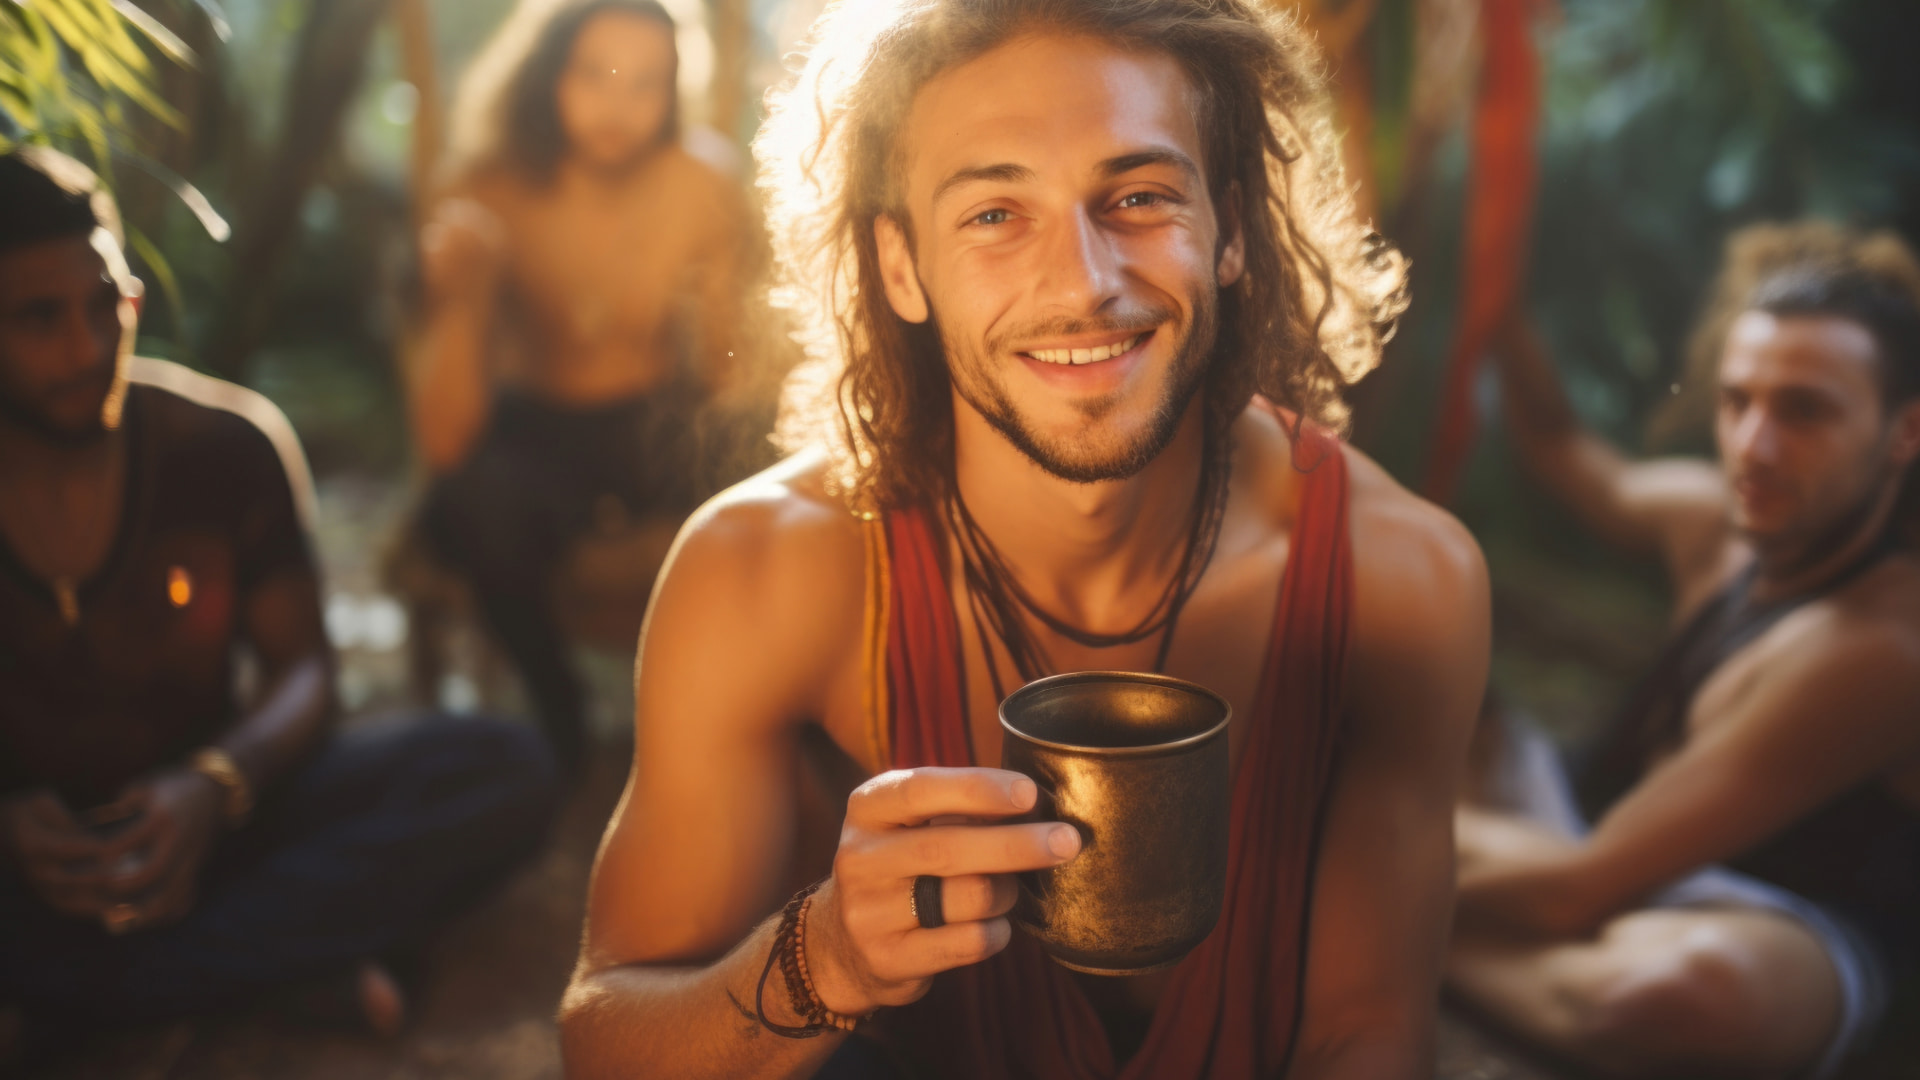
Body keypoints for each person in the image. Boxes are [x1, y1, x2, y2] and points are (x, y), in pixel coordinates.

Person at [559, 1, 1490, 1076]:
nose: (1083, 283)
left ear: (1230, 230)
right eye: (997, 214)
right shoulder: (766, 572)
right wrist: (826, 961)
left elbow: (1365, 1033)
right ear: (900, 267)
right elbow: (602, 1038)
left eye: (1138, 196)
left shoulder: (1399, 582)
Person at [0, 148, 559, 1063]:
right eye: (38, 319)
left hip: (219, 821)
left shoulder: (224, 445)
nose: (87, 344)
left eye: (109, 303)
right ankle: (271, 967)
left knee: (501, 766)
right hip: (29, 867)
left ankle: (93, 995)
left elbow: (305, 672)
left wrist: (216, 787)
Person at [1449, 223, 1920, 1078]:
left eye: (1804, 410)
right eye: (1739, 401)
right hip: (1587, 840)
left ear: (1904, 431)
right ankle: (1441, 915)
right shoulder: (1712, 521)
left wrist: (1352, 875)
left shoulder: (1886, 643)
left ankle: (1407, 933)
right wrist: (1501, 321)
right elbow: (1567, 455)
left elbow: (1574, 890)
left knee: (1683, 996)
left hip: (1770, 924)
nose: (1755, 445)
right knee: (1376, 705)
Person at [409, 0, 757, 770]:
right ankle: (560, 719)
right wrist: (465, 296)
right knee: (471, 500)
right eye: (595, 74)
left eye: (646, 82)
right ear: (547, 76)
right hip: (537, 429)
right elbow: (444, 438)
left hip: (657, 423)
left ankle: (733, 712)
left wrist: (726, 307)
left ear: (673, 90)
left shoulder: (701, 182)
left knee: (780, 455)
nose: (619, 104)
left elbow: (728, 380)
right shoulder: (484, 189)